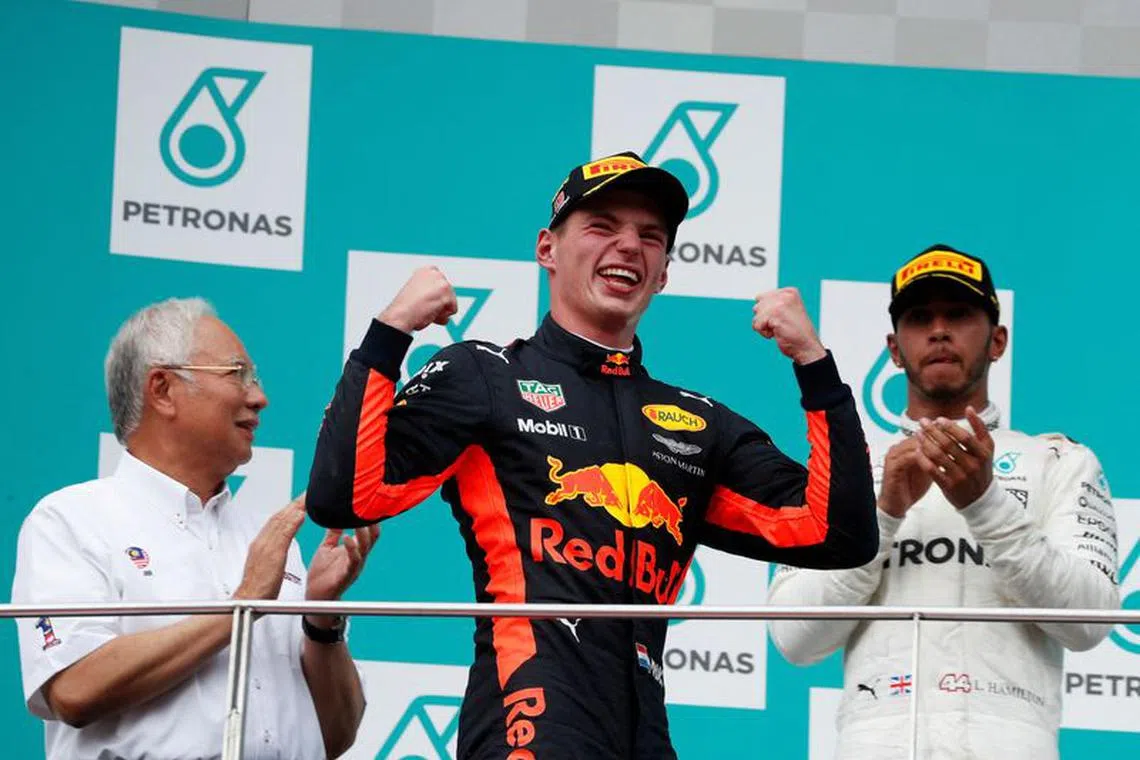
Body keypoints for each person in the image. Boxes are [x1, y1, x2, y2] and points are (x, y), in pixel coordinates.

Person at [306, 150, 878, 759]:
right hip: (527, 720)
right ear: (547, 249)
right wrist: (390, 331)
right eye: (603, 226)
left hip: (645, 737)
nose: (630, 245)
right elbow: (346, 495)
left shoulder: (703, 425)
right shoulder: (484, 376)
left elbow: (837, 533)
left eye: (650, 237)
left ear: (662, 274)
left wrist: (815, 366)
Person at [767, 245, 1121, 759]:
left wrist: (987, 505)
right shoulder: (843, 469)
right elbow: (794, 640)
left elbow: (1091, 621)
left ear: (998, 341)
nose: (938, 330)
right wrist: (883, 516)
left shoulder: (1059, 462)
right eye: (919, 318)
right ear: (893, 347)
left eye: (958, 314)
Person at [12, 298, 377, 760]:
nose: (258, 397)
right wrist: (241, 606)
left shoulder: (262, 538)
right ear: (162, 389)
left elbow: (336, 736)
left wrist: (321, 618)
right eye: (237, 374)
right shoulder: (70, 521)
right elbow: (73, 687)